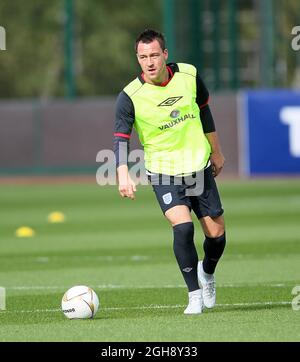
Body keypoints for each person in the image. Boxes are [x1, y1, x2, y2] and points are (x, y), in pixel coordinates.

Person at [113, 29, 226, 314]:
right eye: (142, 57)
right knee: (183, 227)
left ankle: (207, 273)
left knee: (217, 236)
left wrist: (216, 150)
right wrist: (122, 173)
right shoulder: (129, 96)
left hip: (198, 166)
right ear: (137, 59)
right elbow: (121, 139)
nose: (149, 62)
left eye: (153, 55)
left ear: (165, 54)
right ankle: (194, 295)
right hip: (164, 172)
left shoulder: (188, 74)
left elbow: (204, 110)